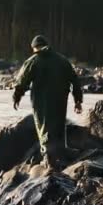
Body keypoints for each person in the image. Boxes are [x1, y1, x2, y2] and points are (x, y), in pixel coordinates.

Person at [13, 35, 83, 171]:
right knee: (58, 124)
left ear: (34, 48)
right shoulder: (62, 60)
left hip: (41, 100)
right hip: (60, 98)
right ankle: (61, 153)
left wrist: (17, 96)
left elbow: (22, 81)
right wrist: (78, 100)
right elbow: (75, 81)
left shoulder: (33, 60)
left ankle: (48, 159)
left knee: (43, 125)